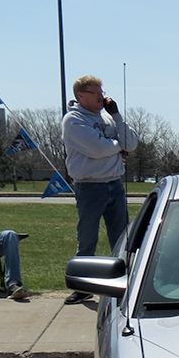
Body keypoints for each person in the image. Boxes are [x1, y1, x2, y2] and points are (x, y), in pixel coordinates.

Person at [61, 74, 138, 304]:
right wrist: (117, 147)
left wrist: (116, 115)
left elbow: (131, 143)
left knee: (121, 237)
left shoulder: (108, 118)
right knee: (87, 238)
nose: (101, 96)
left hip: (114, 184)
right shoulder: (73, 120)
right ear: (81, 96)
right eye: (95, 92)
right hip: (90, 186)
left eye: (102, 91)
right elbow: (97, 148)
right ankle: (83, 285)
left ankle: (125, 280)